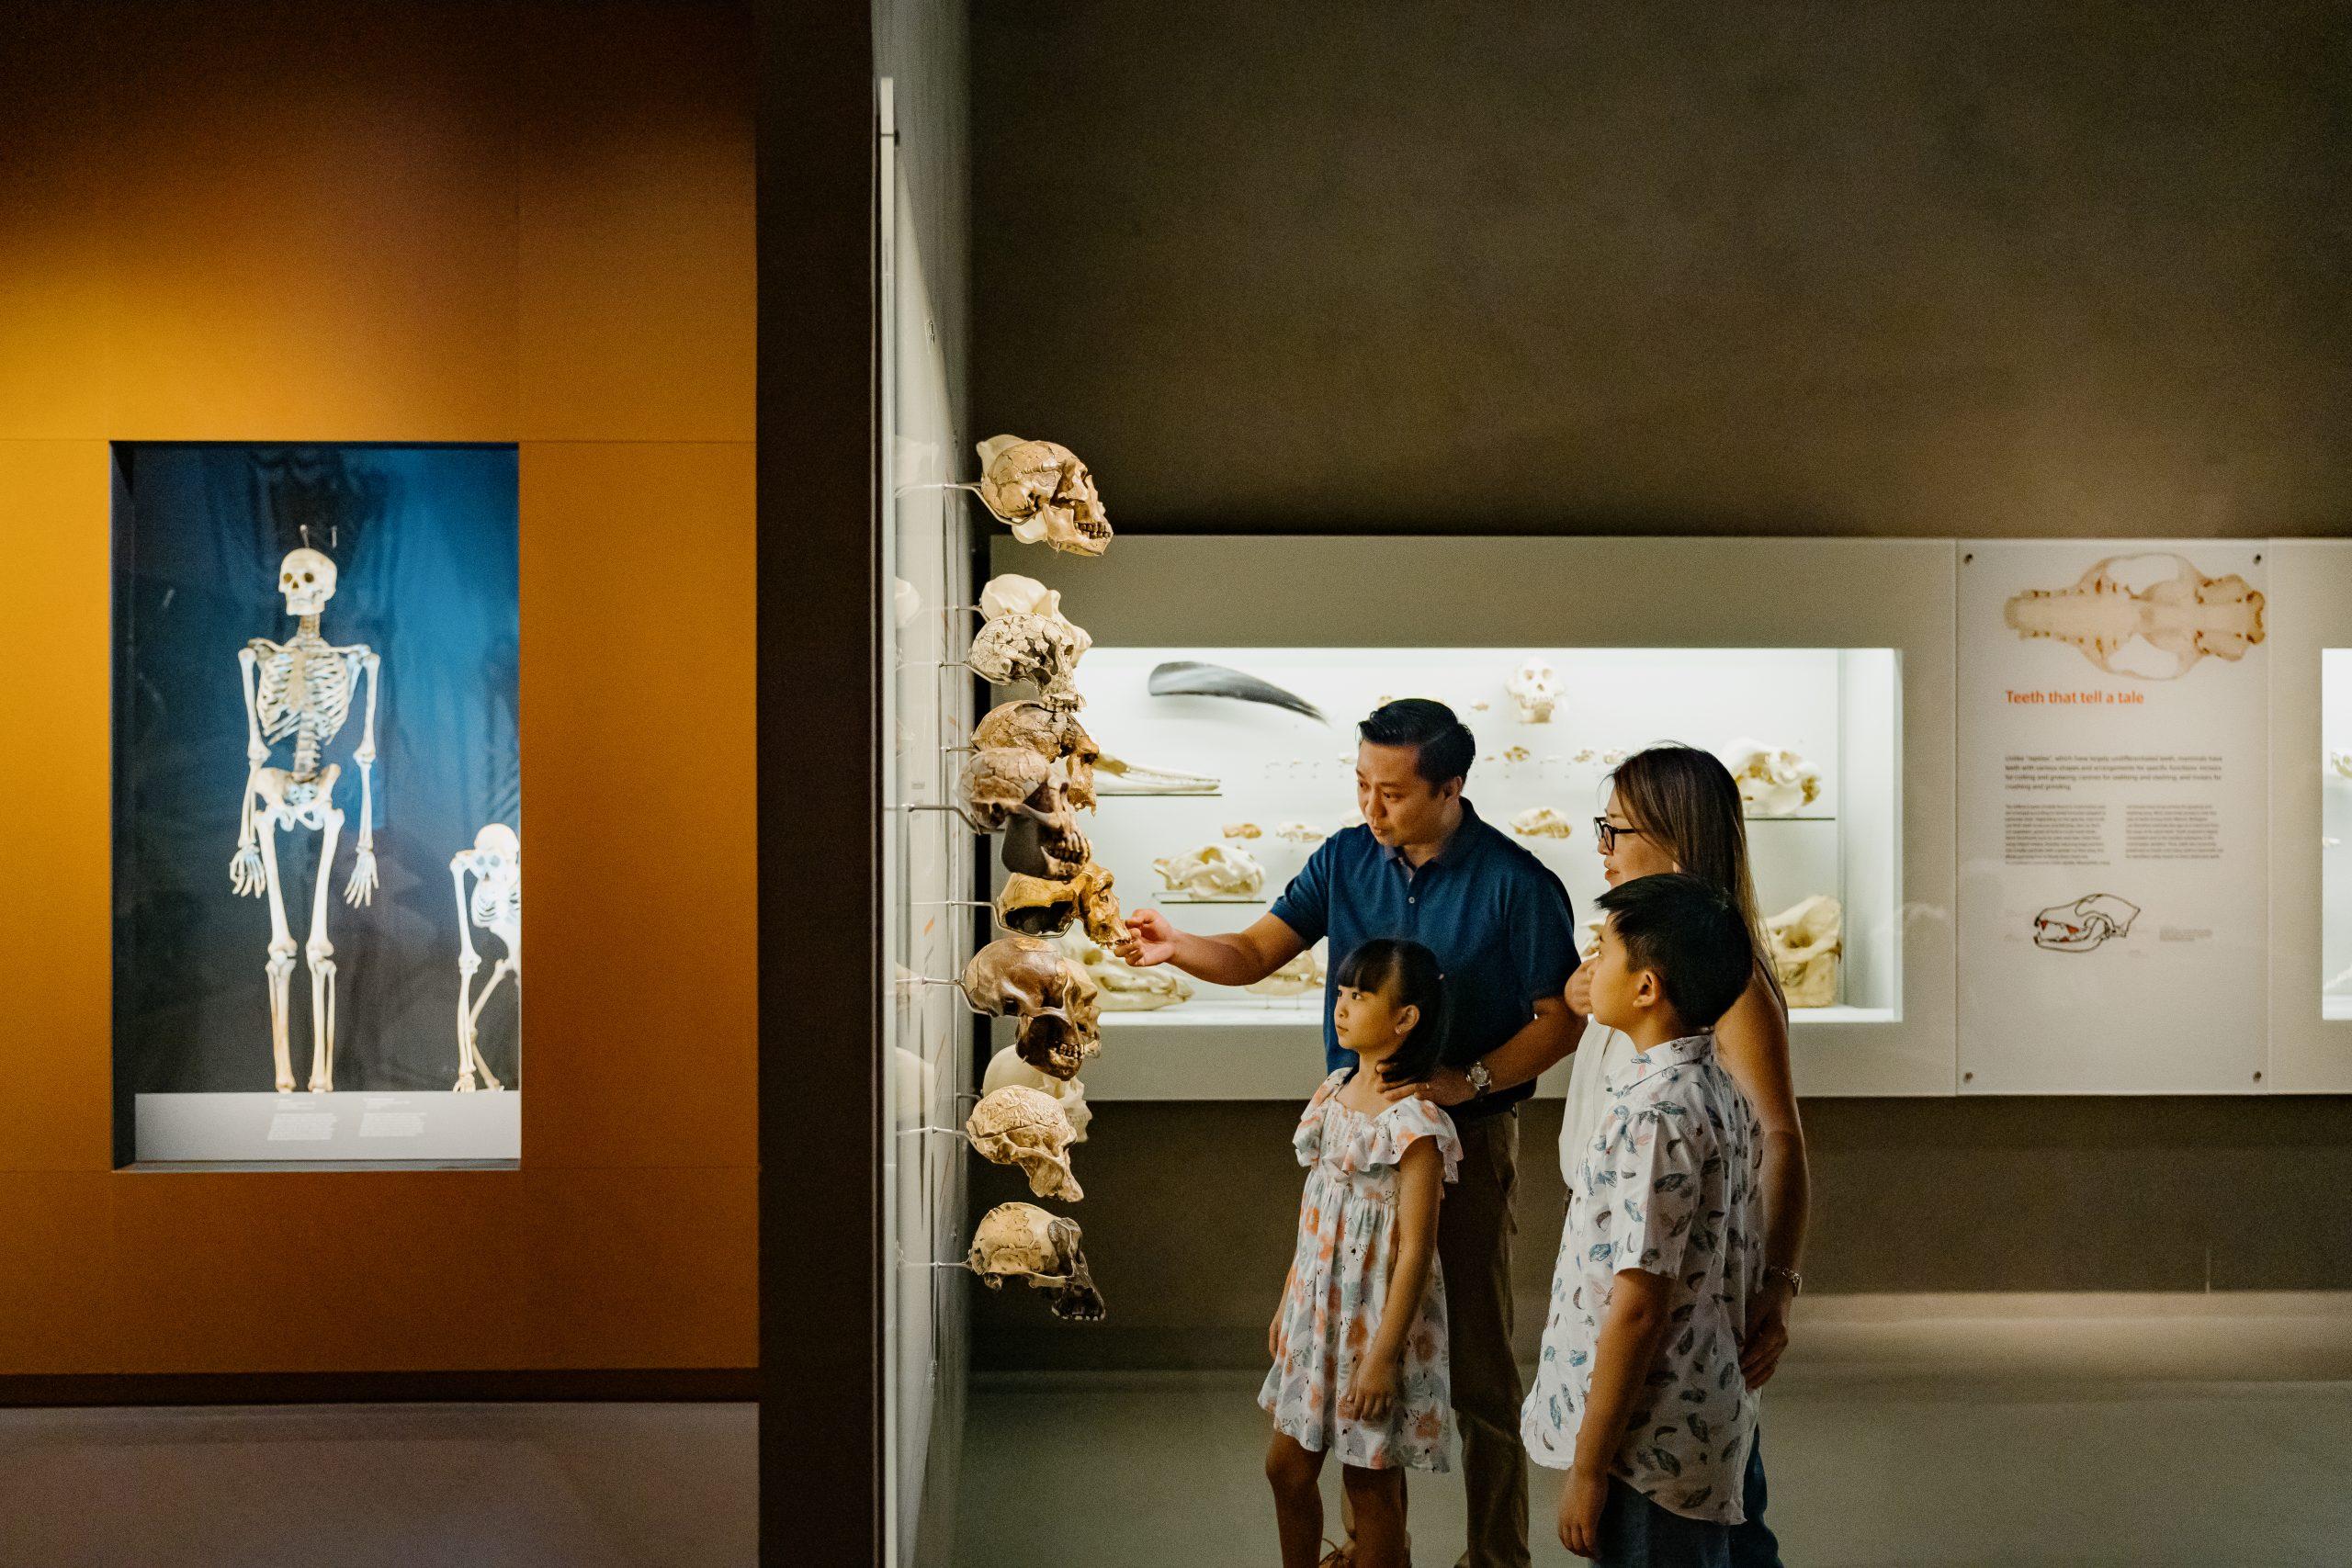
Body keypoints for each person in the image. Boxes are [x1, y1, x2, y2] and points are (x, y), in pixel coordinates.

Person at [1123, 699, 1582, 1568]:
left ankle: (1495, 1557)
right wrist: (1178, 944)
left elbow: (1559, 1018)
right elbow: (1257, 950)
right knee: (1344, 1361)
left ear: (1452, 787)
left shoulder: (1519, 884)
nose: (1372, 809)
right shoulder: (1342, 856)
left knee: (1480, 1366)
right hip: (1351, 1158)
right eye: (1362, 785)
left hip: (1465, 1148)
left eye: (1394, 793)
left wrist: (1467, 1081)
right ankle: (1376, 1552)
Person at [1564, 746, 1809, 1564]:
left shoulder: (1722, 990)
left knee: (1701, 1516)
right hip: (1647, 1274)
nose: (1600, 842)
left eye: (1616, 828)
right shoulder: (1648, 965)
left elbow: (1781, 1135)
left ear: (1673, 840)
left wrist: (1776, 1284)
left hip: (1676, 1302)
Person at [1523, 873, 1766, 1564]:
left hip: (1645, 1447)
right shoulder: (1712, 1086)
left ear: (1646, 987)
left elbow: (1638, 1303)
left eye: (1602, 949)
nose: (1589, 965)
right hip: (1686, 1424)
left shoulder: (1654, 1115)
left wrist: (1589, 1467)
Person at [1263, 940, 1462, 1568]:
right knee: (1286, 1467)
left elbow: (1414, 1253)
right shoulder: (1334, 1093)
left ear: (1405, 1019)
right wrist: (1288, 1300)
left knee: (1370, 1485)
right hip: (1316, 1317)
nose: (1341, 1006)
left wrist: (1380, 1359)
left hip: (1377, 1327)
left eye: (1360, 995)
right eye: (1341, 992)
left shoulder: (1418, 1124)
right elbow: (1314, 1217)